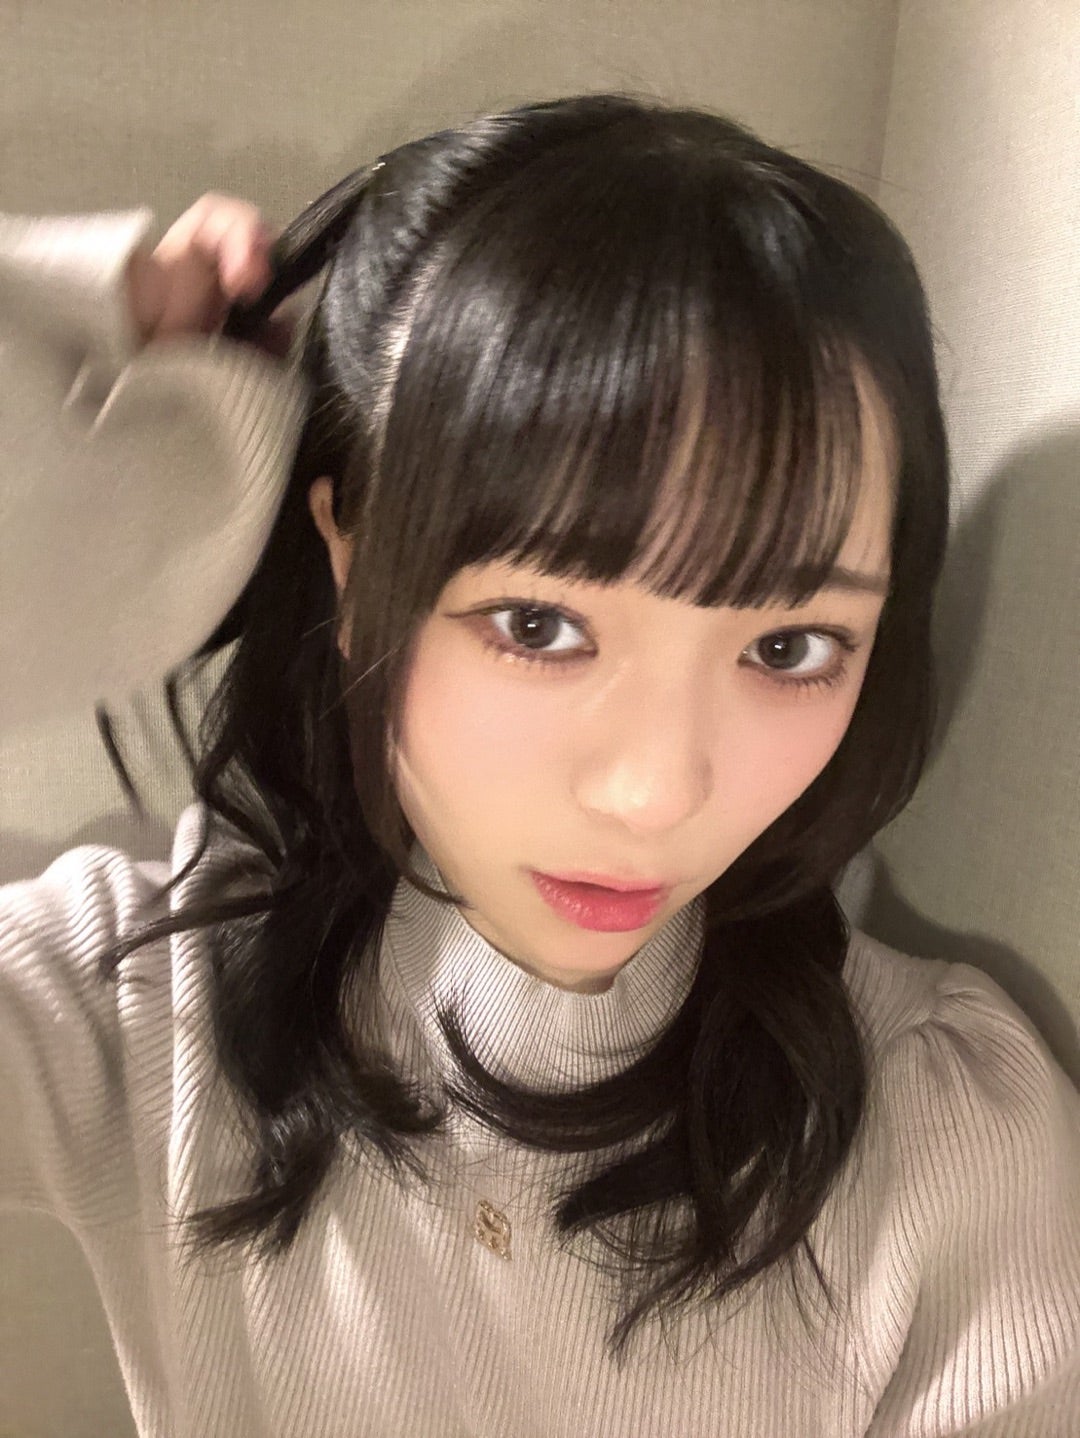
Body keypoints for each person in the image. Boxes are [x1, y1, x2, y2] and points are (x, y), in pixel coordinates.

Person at [1, 94, 1077, 1436]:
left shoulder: (950, 1146)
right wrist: (69, 429)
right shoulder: (143, 1010)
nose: (655, 793)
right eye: (538, 626)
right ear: (351, 562)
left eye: (789, 645)